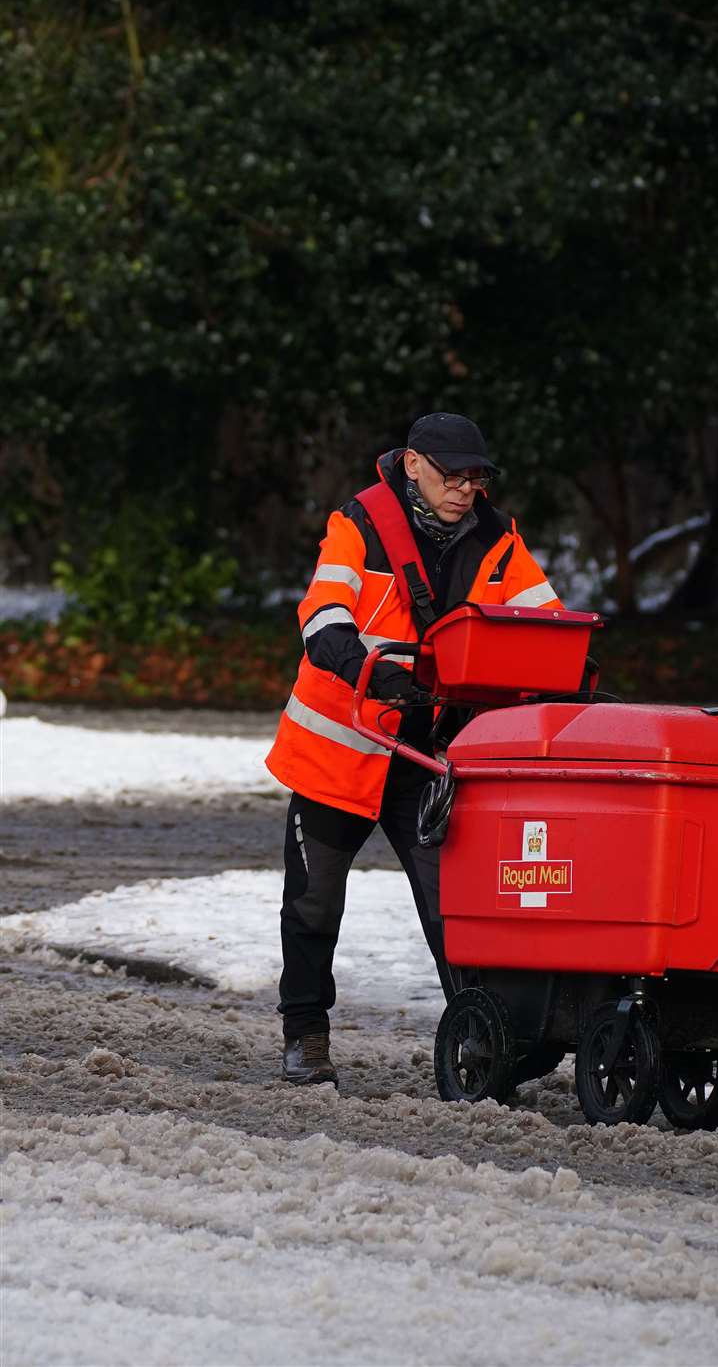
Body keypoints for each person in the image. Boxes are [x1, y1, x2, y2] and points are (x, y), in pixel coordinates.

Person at [265, 413, 560, 1086]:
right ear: (412, 466)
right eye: (452, 475)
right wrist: (381, 675)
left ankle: (481, 1044)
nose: (465, 489)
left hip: (427, 755)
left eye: (476, 476)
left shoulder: (499, 537)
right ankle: (305, 1036)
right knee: (314, 903)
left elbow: (546, 624)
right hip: (340, 750)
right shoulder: (357, 525)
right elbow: (323, 617)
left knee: (451, 909)